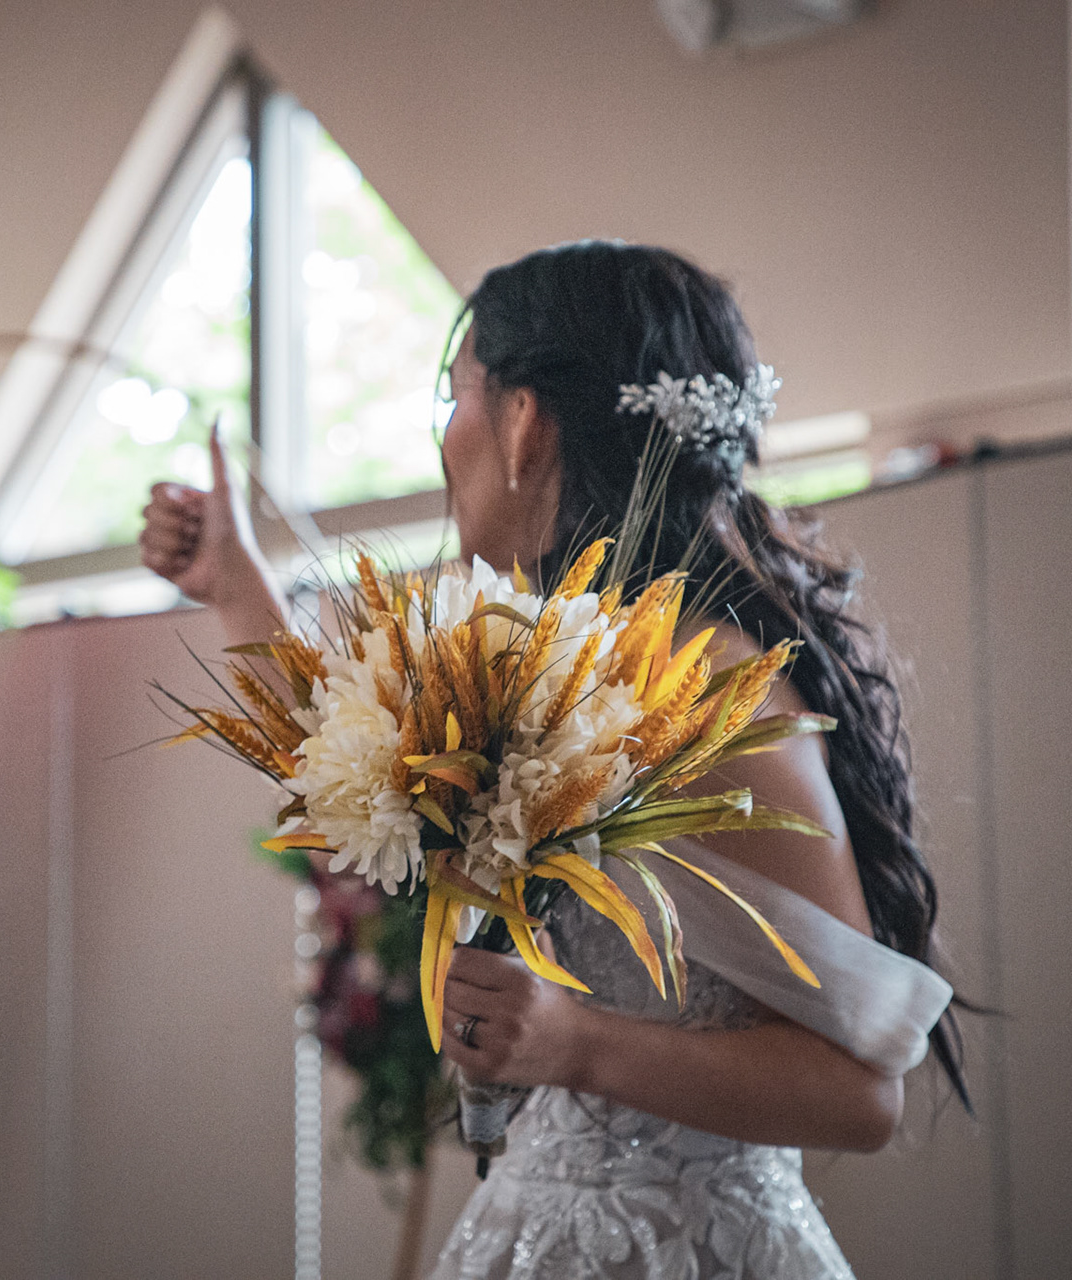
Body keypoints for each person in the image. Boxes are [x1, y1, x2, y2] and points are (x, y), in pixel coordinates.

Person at [141, 241, 965, 1278]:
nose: (445, 443)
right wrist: (231, 581)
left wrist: (576, 1044)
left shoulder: (709, 688)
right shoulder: (536, 659)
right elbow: (349, 751)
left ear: (525, 422)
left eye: (456, 398)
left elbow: (861, 1093)